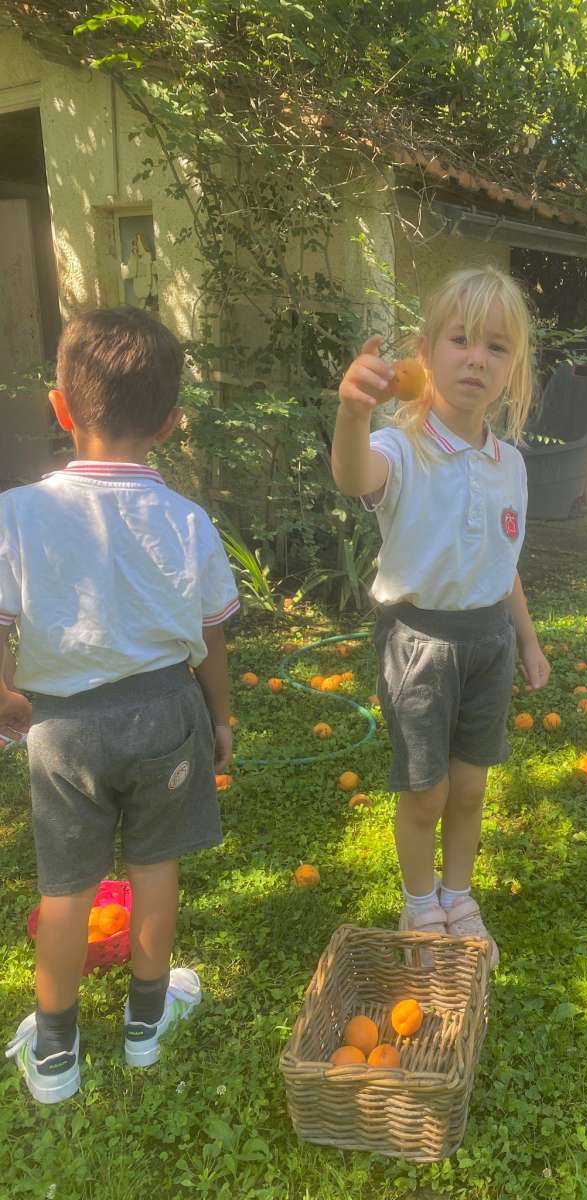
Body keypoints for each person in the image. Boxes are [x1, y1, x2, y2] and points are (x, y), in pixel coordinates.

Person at [0, 307, 238, 1104]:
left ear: (60, 407)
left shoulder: (17, 512)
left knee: (66, 888)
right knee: (154, 868)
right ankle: (145, 1023)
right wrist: (221, 719)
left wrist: (5, 693)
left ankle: (55, 1054)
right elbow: (211, 638)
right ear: (170, 423)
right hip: (167, 713)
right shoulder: (188, 520)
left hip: (62, 728)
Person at [332, 266, 550, 967]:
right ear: (426, 353)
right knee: (425, 792)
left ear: (513, 368)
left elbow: (503, 563)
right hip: (420, 645)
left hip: (489, 641)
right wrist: (353, 413)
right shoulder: (400, 449)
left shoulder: (510, 464)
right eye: (461, 340)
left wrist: (528, 640)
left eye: (496, 347)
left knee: (472, 786)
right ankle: (420, 903)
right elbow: (353, 476)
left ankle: (458, 896)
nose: (477, 358)